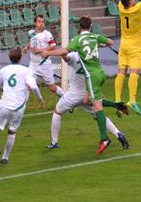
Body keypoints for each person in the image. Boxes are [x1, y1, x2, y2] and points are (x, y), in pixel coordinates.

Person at [42, 16, 117, 155]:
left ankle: (104, 139)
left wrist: (48, 53)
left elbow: (65, 53)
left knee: (96, 108)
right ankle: (117, 117)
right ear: (91, 25)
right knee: (88, 102)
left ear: (79, 27)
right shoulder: (95, 36)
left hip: (88, 79)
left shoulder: (76, 41)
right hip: (101, 74)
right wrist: (99, 43)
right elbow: (111, 42)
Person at [47, 51, 130, 150]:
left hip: (74, 95)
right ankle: (119, 134)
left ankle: (54, 142)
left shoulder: (74, 55)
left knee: (57, 113)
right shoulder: (92, 56)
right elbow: (96, 75)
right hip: (89, 92)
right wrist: (98, 90)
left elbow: (66, 57)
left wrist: (54, 52)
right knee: (99, 116)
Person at [0, 47, 46, 165]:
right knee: (12, 131)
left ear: (9, 58)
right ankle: (5, 158)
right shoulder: (26, 70)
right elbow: (33, 87)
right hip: (19, 108)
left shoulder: (4, 70)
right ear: (20, 58)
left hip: (4, 105)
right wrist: (40, 100)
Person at [23, 14, 64, 98]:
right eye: (39, 21)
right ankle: (20, 106)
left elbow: (52, 46)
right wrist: (26, 47)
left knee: (52, 88)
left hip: (44, 65)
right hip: (33, 65)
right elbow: (31, 41)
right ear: (35, 23)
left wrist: (40, 50)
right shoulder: (31, 33)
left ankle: (65, 98)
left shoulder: (47, 34)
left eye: (42, 22)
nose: (41, 23)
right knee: (27, 84)